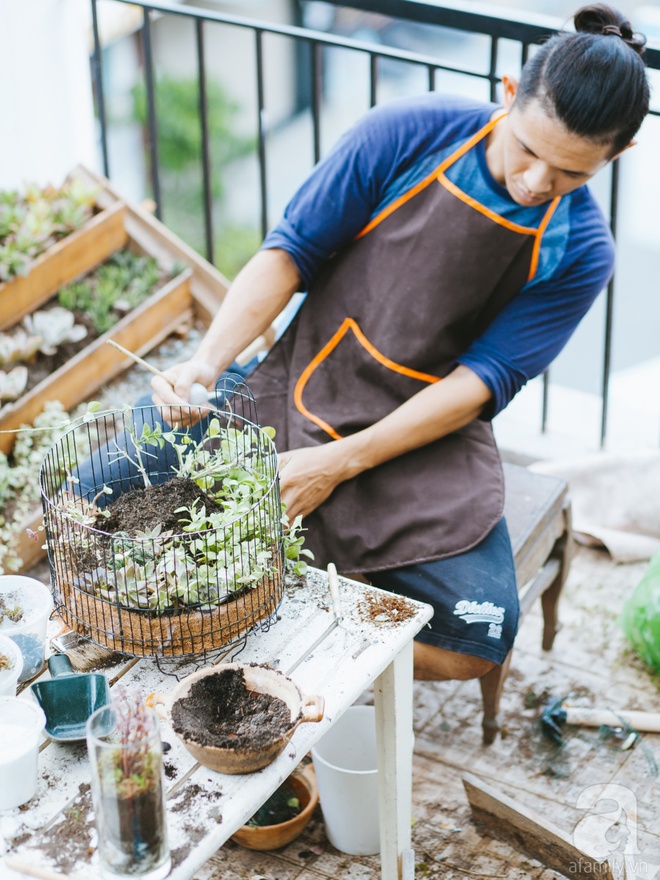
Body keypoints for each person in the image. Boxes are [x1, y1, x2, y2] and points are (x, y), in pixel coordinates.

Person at [120, 5, 653, 683]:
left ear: (619, 155)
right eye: (528, 151)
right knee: (110, 482)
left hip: (422, 431)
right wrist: (205, 363)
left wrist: (336, 464)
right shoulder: (407, 133)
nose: (535, 183)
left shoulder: (580, 251)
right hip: (307, 376)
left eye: (572, 174)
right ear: (508, 94)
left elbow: (478, 384)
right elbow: (291, 253)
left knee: (478, 637)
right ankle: (265, 607)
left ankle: (289, 644)